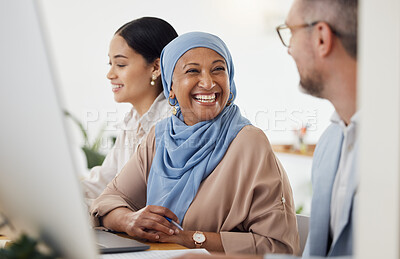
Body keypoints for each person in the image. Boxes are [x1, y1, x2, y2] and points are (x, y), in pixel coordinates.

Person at [174, 0, 358, 258]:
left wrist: (196, 242)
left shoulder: (384, 141)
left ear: (321, 38)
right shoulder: (332, 141)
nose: (289, 50)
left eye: (290, 33)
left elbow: (277, 244)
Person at [90, 32, 300, 255]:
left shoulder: (249, 142)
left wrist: (188, 238)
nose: (208, 83)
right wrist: (128, 220)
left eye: (219, 69)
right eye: (192, 71)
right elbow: (108, 200)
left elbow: (278, 246)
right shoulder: (160, 136)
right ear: (170, 87)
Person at [81, 17, 178, 206]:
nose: (110, 74)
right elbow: (102, 183)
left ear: (156, 67)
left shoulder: (174, 124)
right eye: (110, 64)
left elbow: (134, 200)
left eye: (121, 64)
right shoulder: (133, 121)